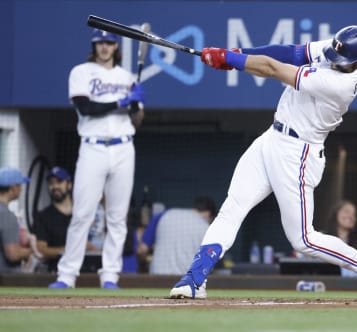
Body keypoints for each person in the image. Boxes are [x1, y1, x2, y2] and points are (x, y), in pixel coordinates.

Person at [169, 25, 357, 301]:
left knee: (303, 239)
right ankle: (194, 278)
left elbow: (274, 69)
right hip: (272, 138)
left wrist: (230, 59)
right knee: (233, 207)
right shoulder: (339, 48)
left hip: (299, 153)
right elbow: (291, 53)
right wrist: (237, 54)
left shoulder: (341, 85)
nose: (334, 60)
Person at [49, 29, 145, 289]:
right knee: (82, 213)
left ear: (115, 46)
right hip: (93, 147)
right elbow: (86, 108)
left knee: (117, 217)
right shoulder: (81, 72)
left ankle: (111, 275)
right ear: (94, 46)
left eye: (109, 42)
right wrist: (121, 101)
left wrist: (136, 104)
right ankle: (67, 276)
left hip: (124, 146)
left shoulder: (126, 77)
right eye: (100, 42)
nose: (104, 47)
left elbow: (136, 122)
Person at [137, 196, 216, 275]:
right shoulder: (205, 227)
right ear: (208, 214)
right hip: (186, 281)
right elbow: (208, 265)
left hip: (158, 276)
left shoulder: (165, 214)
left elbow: (142, 250)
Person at [0, 167, 42, 272]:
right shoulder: (6, 215)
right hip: (5, 282)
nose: (21, 189)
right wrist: (32, 250)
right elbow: (13, 254)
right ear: (14, 187)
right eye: (20, 185)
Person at [327, 200, 357, 277]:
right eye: (346, 211)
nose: (350, 216)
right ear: (336, 214)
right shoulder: (323, 238)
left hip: (354, 286)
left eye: (354, 214)